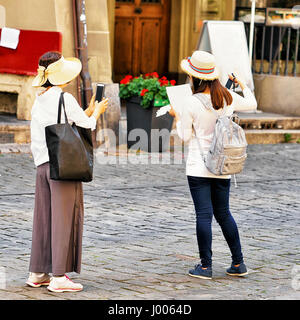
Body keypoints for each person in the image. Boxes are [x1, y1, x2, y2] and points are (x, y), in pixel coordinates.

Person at [169, 50, 257, 280]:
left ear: (194, 77)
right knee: (224, 213)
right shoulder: (227, 96)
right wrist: (242, 85)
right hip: (222, 166)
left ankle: (206, 267)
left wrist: (176, 116)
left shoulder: (190, 102)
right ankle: (239, 263)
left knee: (203, 215)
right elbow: (252, 103)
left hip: (199, 166)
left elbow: (185, 136)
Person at [26, 51, 108, 292]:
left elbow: (66, 121)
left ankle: (38, 272)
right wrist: (97, 111)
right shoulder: (65, 98)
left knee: (44, 218)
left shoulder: (40, 98)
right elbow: (87, 124)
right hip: (64, 165)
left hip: (42, 164)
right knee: (63, 218)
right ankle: (59, 276)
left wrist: (88, 110)